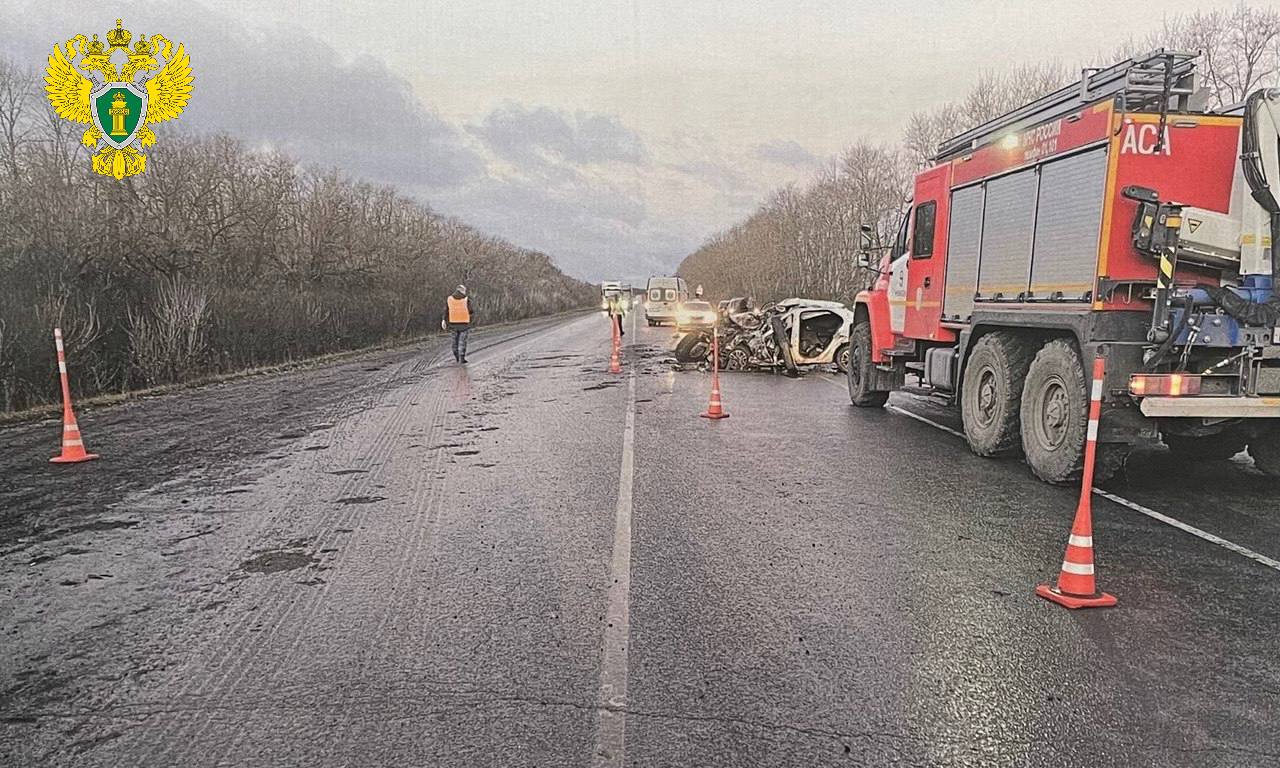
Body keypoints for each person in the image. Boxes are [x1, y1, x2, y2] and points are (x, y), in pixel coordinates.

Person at [443, 284, 473, 363]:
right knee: (462, 341)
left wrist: (444, 320)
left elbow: (446, 311)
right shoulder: (466, 299)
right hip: (464, 324)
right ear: (462, 291)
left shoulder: (449, 299)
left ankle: (456, 356)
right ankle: (461, 357)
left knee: (454, 341)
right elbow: (471, 311)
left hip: (453, 324)